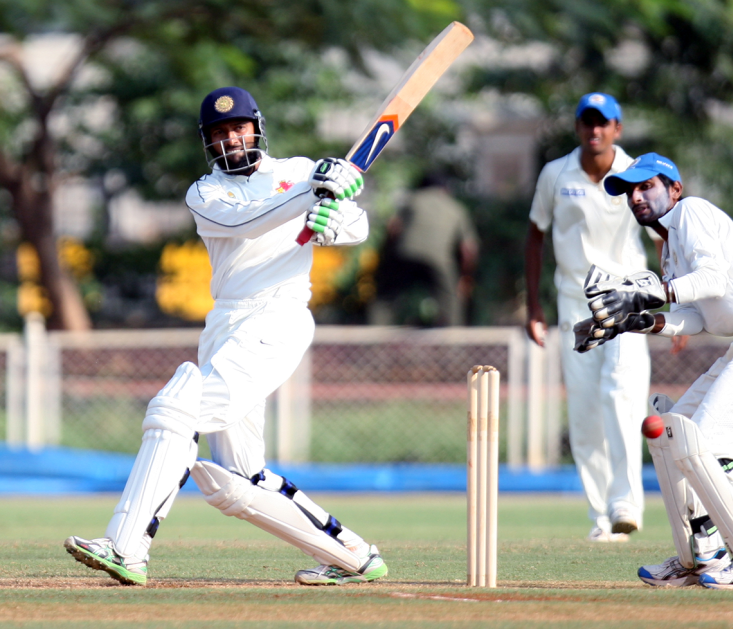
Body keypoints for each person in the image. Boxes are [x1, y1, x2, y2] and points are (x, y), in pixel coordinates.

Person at [63, 86, 387, 587]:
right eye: (219, 132)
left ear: (256, 127)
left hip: (276, 317)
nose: (231, 138)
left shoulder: (298, 170)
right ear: (207, 142)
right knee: (237, 480)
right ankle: (352, 554)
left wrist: (330, 220)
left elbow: (358, 226)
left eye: (238, 127)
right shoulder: (206, 194)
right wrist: (312, 195)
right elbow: (249, 222)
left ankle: (127, 547)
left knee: (176, 409)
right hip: (227, 322)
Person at [576, 152, 733, 589]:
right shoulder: (669, 249)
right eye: (630, 190)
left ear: (674, 189)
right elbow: (698, 317)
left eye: (646, 186)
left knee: (707, 444)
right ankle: (701, 556)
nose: (636, 196)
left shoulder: (692, 213)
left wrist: (650, 293)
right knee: (672, 436)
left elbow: (714, 280)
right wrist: (634, 321)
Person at [525, 93, 652, 542]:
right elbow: (536, 235)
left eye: (603, 123)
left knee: (620, 396)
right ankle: (603, 515)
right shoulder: (555, 174)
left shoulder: (636, 172)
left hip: (625, 300)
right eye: (587, 122)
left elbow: (661, 230)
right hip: (575, 305)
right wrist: (533, 306)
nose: (594, 131)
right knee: (583, 412)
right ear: (578, 127)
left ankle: (626, 502)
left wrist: (676, 305)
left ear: (617, 128)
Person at [371, 172, 479, 326]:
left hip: (404, 252)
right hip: (439, 259)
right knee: (451, 302)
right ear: (446, 189)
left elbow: (393, 229)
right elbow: (469, 249)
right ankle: (453, 341)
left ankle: (373, 337)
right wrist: (465, 277)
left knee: (385, 298)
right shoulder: (456, 207)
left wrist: (386, 259)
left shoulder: (412, 200)